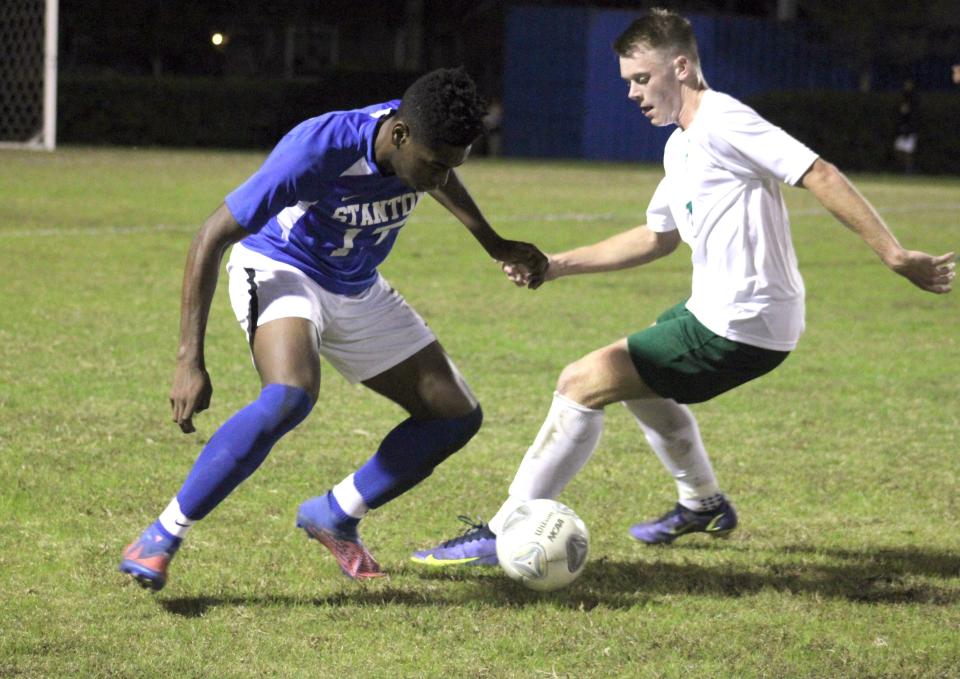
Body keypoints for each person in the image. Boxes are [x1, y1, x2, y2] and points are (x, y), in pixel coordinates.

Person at [411, 9, 955, 568]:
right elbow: (656, 237)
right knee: (638, 383)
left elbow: (819, 172)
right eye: (626, 82)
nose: (632, 93)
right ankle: (702, 503)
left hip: (743, 322)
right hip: (718, 313)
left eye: (641, 79)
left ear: (682, 66)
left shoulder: (724, 120)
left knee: (582, 380)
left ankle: (501, 532)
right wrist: (554, 265)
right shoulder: (680, 144)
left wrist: (894, 254)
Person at [119, 67, 547, 590]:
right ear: (400, 136)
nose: (439, 179)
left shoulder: (421, 136)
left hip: (357, 285)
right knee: (290, 395)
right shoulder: (319, 148)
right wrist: (189, 359)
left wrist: (494, 243)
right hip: (283, 268)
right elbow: (211, 236)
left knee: (454, 416)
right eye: (434, 166)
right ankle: (162, 534)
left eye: (451, 166)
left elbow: (443, 174)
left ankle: (335, 513)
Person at [893, 78, 919, 174]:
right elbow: (901, 114)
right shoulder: (903, 98)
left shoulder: (914, 100)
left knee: (909, 151)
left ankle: (909, 169)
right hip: (902, 130)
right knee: (898, 149)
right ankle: (902, 168)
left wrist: (910, 128)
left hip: (910, 130)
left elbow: (914, 116)